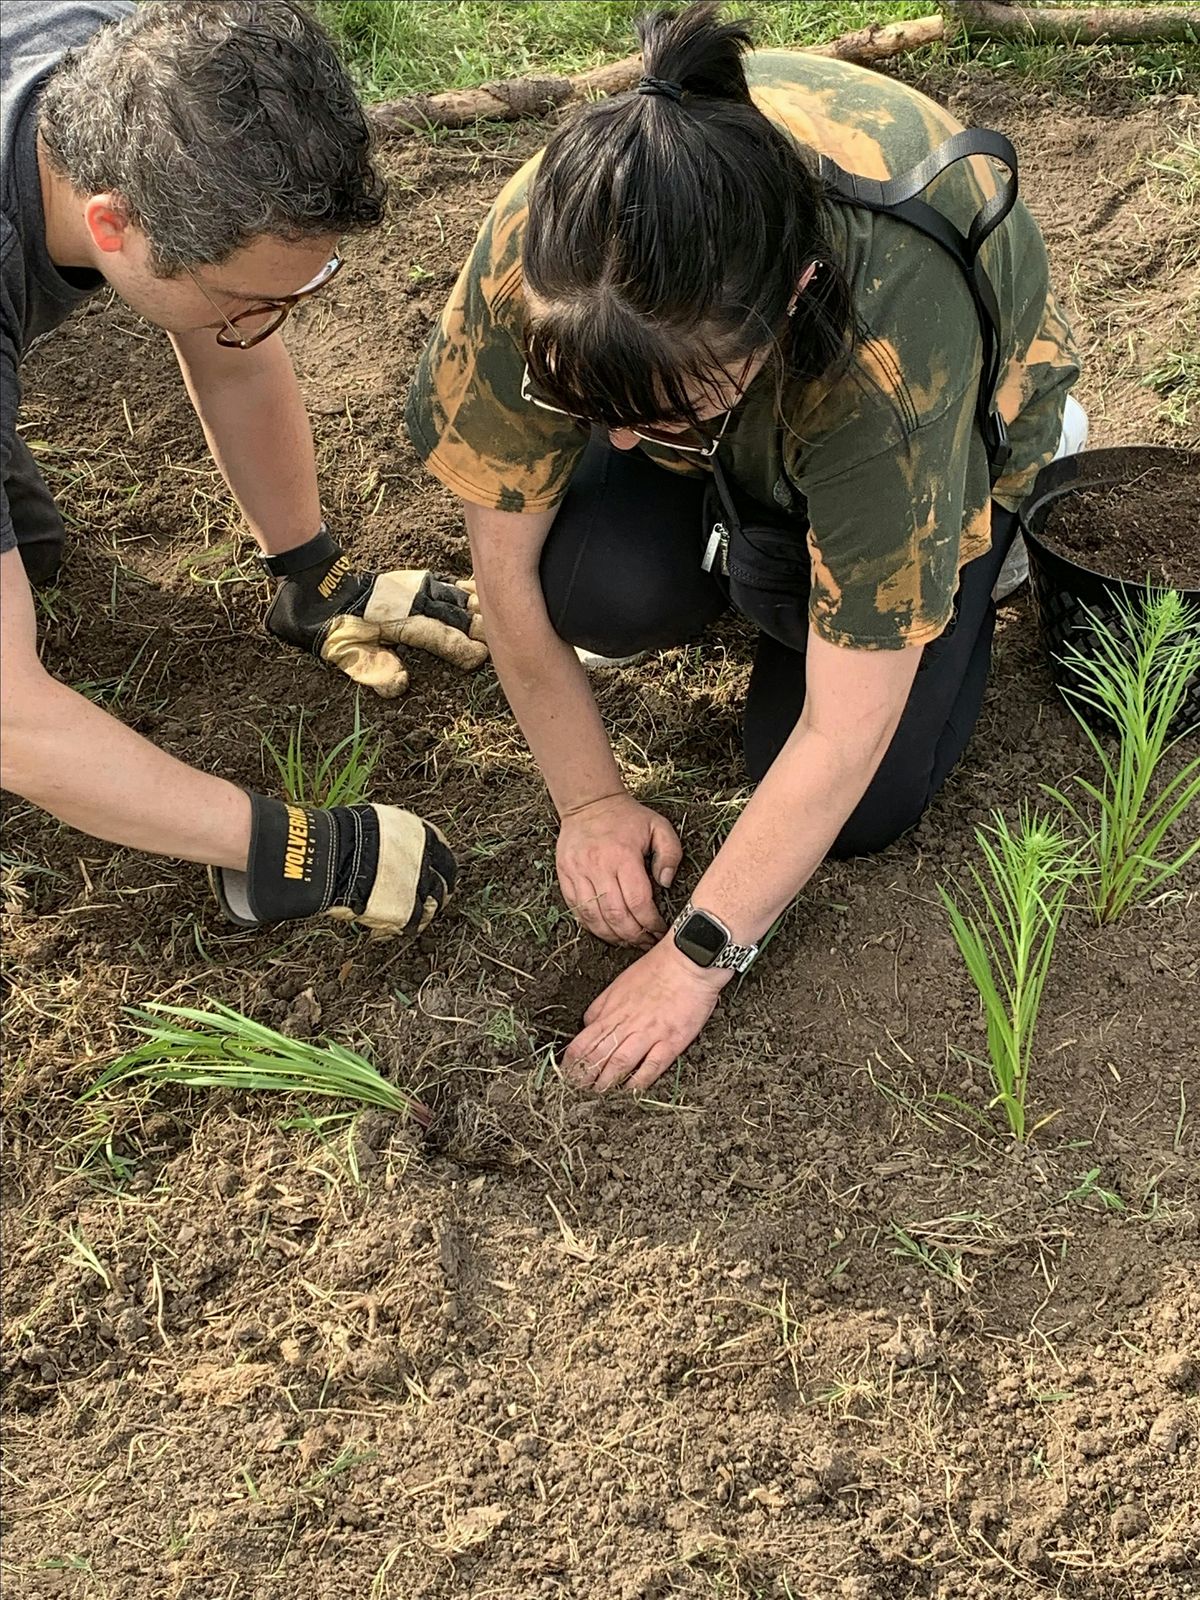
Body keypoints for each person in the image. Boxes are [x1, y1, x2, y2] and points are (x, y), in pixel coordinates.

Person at [406, 2, 1082, 1088]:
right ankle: (746, 535)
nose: (618, 440)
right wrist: (587, 801)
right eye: (592, 406)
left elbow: (845, 728)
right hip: (726, 387)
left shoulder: (886, 346)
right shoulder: (560, 254)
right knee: (595, 584)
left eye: (663, 411)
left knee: (857, 798)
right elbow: (506, 580)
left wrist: (697, 956)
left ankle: (966, 538)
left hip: (927, 422)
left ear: (792, 305)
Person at [1, 1, 486, 937]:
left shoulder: (144, 74)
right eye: (251, 297)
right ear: (112, 225)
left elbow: (226, 338)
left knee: (34, 553)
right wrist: (282, 847)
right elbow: (11, 717)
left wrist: (313, 571)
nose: (273, 321)